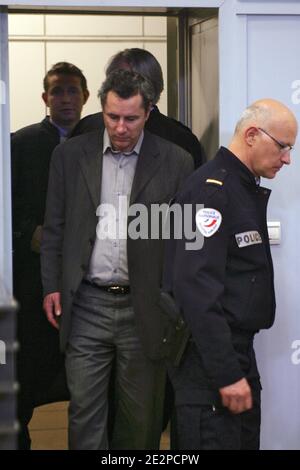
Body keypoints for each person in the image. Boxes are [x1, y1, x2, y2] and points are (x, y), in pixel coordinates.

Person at [41, 69, 194, 450]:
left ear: (149, 113)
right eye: (112, 117)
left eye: (131, 118)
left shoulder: (176, 161)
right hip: (86, 302)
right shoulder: (69, 155)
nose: (121, 128)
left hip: (145, 306)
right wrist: (52, 287)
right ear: (102, 110)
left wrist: (172, 300)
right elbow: (55, 229)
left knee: (141, 417)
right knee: (84, 413)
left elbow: (183, 240)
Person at [163, 98, 298, 450]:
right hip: (208, 363)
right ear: (252, 134)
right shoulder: (209, 193)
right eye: (283, 147)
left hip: (235, 355)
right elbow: (195, 290)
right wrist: (226, 373)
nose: (287, 159)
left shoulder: (240, 188)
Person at [11, 61, 89, 449]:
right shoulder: (19, 144)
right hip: (34, 282)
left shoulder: (104, 141)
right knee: (28, 375)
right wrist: (29, 234)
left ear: (86, 96)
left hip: (92, 284)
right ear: (44, 98)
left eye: (73, 90)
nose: (65, 98)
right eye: (57, 91)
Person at [72, 48, 204, 168]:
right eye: (118, 80)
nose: (121, 128)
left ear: (154, 87)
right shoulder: (86, 129)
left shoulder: (180, 140)